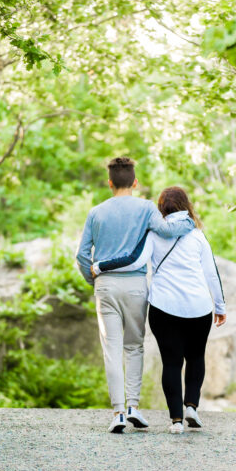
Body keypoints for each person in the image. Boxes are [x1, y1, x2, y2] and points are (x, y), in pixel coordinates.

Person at [94, 186, 226, 434]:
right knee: (196, 357)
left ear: (161, 208)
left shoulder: (154, 235)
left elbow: (134, 261)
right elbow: (211, 272)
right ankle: (192, 407)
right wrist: (220, 306)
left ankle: (176, 421)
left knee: (172, 363)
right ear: (187, 206)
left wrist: (101, 267)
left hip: (164, 308)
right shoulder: (197, 236)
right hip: (199, 308)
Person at [76, 158, 195, 434]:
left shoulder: (96, 212)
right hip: (135, 286)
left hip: (106, 285)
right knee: (134, 346)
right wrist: (188, 224)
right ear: (135, 182)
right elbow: (166, 230)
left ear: (109, 183)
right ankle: (133, 407)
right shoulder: (145, 208)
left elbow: (82, 255)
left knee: (111, 350)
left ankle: (117, 412)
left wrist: (93, 280)